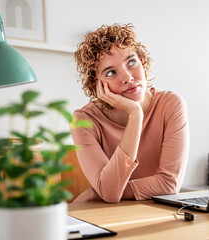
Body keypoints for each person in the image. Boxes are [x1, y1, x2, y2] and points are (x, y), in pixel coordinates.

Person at [72, 23, 189, 203]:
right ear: (96, 85)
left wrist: (98, 192)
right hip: (104, 218)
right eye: (111, 72)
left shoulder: (170, 104)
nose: (128, 77)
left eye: (131, 62)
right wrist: (135, 115)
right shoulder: (84, 120)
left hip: (153, 216)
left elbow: (169, 185)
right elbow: (110, 195)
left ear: (142, 62)